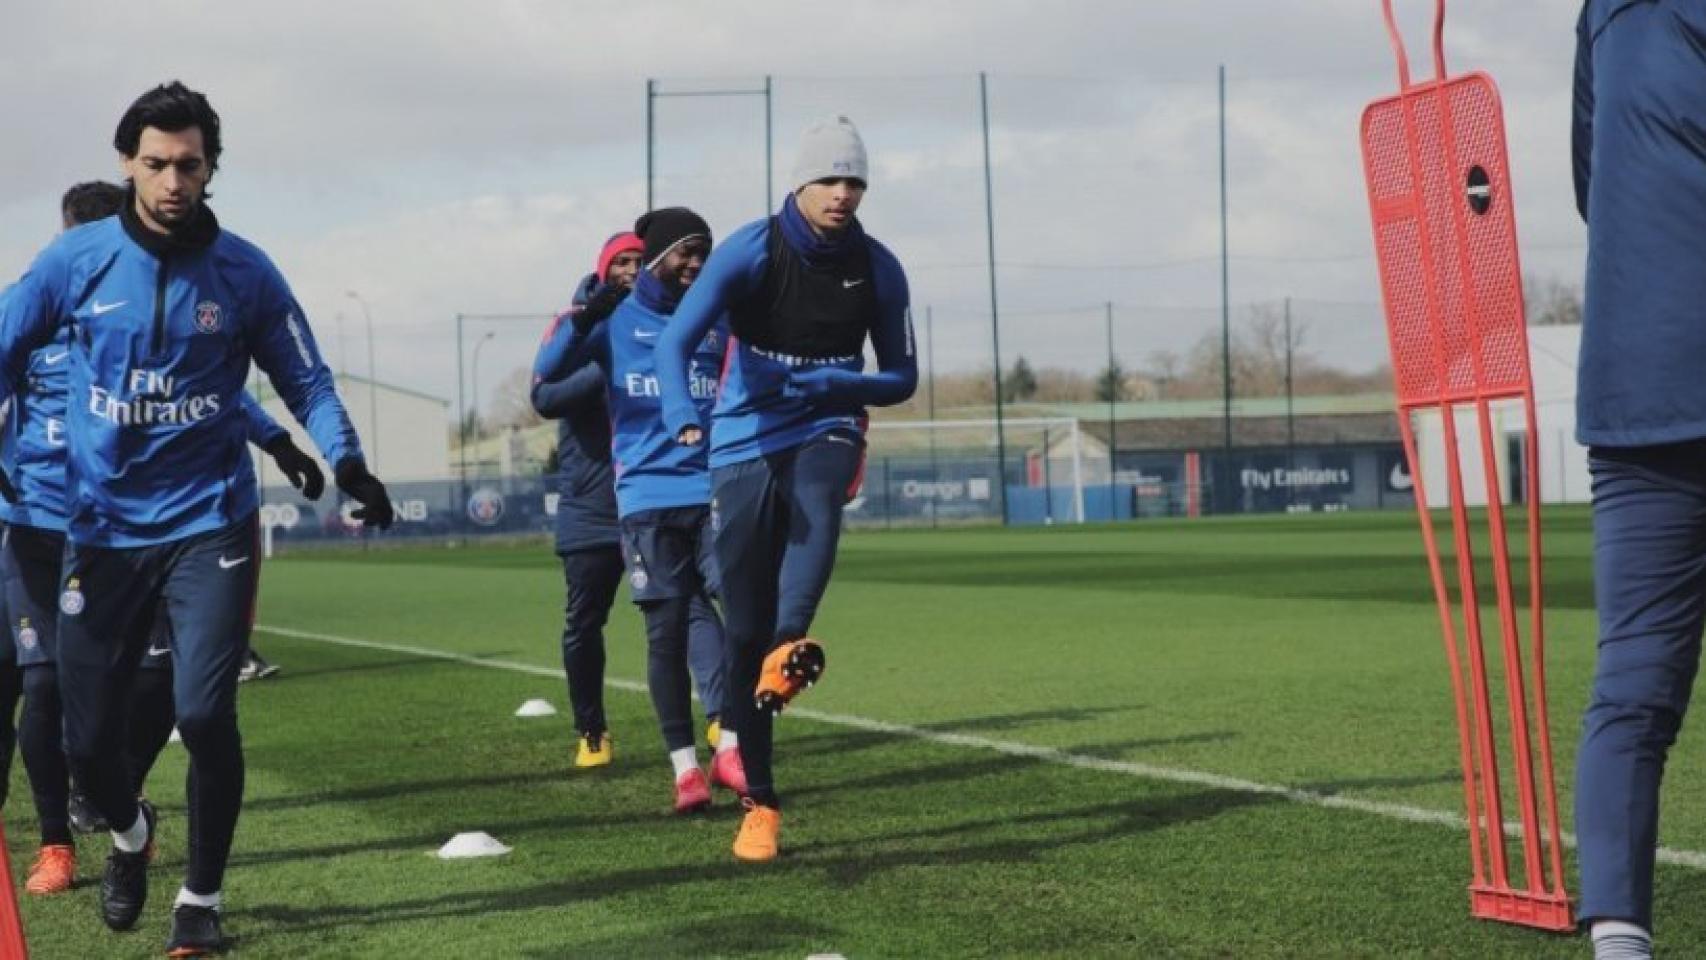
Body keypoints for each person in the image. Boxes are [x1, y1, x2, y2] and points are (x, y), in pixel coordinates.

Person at [0, 82, 391, 956]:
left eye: (190, 164)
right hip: (100, 532)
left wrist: (348, 458)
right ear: (127, 164)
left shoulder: (245, 272)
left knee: (205, 713)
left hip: (210, 523)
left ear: (211, 166)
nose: (173, 180)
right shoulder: (76, 263)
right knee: (85, 741)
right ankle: (132, 835)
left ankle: (199, 903)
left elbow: (307, 380)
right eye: (156, 163)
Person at [3, 178, 315, 899]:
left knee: (161, 692)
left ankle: (125, 814)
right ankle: (59, 841)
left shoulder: (137, 314)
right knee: (44, 684)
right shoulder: (39, 302)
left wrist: (275, 439)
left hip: (125, 531)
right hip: (34, 529)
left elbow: (208, 387)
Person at [656, 117, 915, 861]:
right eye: (830, 179)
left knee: (818, 503)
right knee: (742, 633)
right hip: (740, 436)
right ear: (799, 184)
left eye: (855, 181)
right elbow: (677, 342)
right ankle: (761, 804)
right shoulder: (748, 250)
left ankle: (791, 642)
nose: (843, 193)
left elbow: (902, 376)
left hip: (828, 423)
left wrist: (844, 382)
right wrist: (682, 415)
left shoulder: (880, 267)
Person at [1571, 5, 1706, 959]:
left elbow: (1594, 181)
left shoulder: (1603, 8)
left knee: (1631, 687)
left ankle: (1620, 938)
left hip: (1635, 382)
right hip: (1660, 375)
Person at [549, 207, 746, 813]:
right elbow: (548, 376)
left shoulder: (715, 318)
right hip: (643, 502)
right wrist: (585, 317)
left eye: (702, 253)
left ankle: (732, 745)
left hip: (711, 493)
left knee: (743, 614)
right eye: (684, 252)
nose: (694, 264)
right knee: (663, 635)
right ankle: (684, 768)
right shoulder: (615, 322)